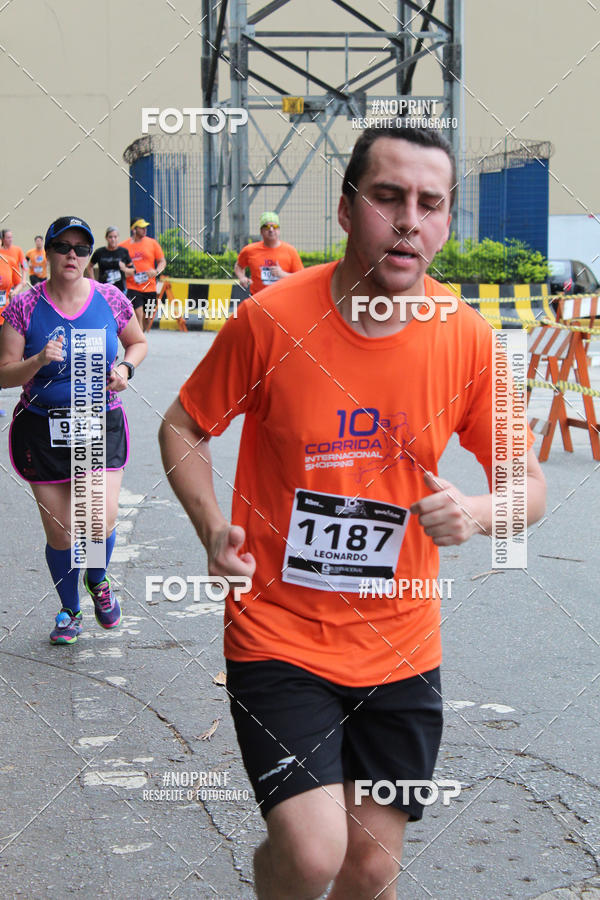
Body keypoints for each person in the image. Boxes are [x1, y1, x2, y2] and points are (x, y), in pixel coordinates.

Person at [159, 126, 547, 900]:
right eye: (388, 197)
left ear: (446, 221)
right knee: (312, 856)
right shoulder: (271, 319)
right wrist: (211, 528)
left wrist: (476, 511)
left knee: (370, 867)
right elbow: (182, 426)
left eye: (430, 204)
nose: (409, 220)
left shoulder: (467, 339)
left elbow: (529, 485)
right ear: (345, 209)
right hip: (278, 632)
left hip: (401, 642)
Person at [0, 215, 147, 645]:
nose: (72, 255)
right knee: (61, 531)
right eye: (62, 246)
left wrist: (125, 368)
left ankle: (97, 579)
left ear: (89, 256)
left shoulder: (110, 298)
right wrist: (38, 361)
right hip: (42, 428)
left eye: (81, 249)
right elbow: (4, 373)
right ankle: (70, 610)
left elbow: (137, 342)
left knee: (98, 518)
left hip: (98, 421)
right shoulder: (24, 306)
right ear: (47, 252)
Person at [234, 211, 303, 297]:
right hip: (258, 299)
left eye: (275, 226)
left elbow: (301, 277)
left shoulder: (290, 251)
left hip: (283, 299)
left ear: (279, 230)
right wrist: (242, 277)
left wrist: (282, 274)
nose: (271, 230)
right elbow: (239, 266)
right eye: (266, 227)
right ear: (261, 231)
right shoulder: (250, 250)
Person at [120, 218, 166, 332]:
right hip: (133, 286)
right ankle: (139, 338)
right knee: (138, 313)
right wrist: (125, 270)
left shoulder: (152, 243)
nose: (145, 229)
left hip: (149, 286)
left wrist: (156, 271)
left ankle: (142, 334)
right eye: (141, 227)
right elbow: (119, 264)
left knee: (148, 317)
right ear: (134, 229)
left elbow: (162, 261)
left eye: (145, 227)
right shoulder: (123, 246)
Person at [85, 226, 134, 294]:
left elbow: (133, 271)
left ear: (118, 237)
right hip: (103, 289)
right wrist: (94, 282)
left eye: (115, 237)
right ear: (106, 238)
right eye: (110, 237)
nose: (113, 239)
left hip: (120, 290)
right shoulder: (99, 252)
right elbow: (89, 266)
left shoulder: (123, 252)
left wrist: (124, 269)